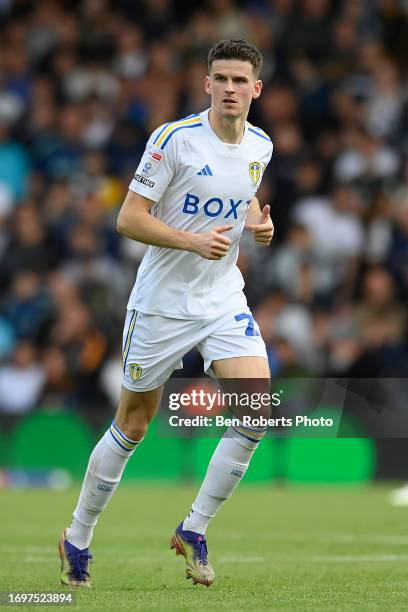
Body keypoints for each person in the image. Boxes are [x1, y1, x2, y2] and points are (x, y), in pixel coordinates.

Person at [59, 38, 274, 588]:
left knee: (256, 413)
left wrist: (258, 224)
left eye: (239, 80)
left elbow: (242, 187)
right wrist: (188, 240)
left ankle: (194, 529)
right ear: (207, 84)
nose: (229, 89)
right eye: (220, 79)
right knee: (134, 423)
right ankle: (77, 536)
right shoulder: (174, 140)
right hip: (161, 305)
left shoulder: (261, 145)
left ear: (256, 88)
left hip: (223, 296)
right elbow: (129, 219)